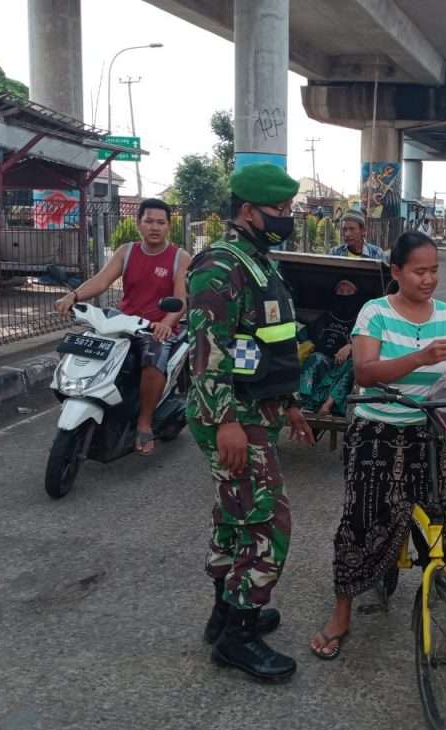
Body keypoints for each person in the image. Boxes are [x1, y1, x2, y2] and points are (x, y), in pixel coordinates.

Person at [310, 231, 446, 661]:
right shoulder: (374, 312)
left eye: (435, 270)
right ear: (396, 272)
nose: (429, 279)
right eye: (420, 271)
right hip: (378, 432)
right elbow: (365, 372)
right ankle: (342, 613)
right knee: (362, 521)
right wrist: (418, 358)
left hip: (433, 433)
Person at [187, 163, 315, 683]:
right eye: (278, 212)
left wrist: (287, 403)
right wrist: (225, 424)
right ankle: (238, 637)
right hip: (231, 414)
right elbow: (209, 351)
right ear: (247, 211)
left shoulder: (259, 261)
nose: (286, 219)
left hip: (256, 406)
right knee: (266, 522)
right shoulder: (220, 265)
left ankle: (226, 612)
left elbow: (267, 343)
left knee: (236, 514)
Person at [56, 198, 188, 455]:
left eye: (161, 222)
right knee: (84, 346)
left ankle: (144, 423)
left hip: (155, 328)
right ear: (138, 223)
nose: (154, 227)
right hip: (122, 321)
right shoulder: (126, 252)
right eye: (149, 221)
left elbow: (181, 300)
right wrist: (73, 296)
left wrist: (165, 323)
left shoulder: (179, 257)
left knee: (153, 361)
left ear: (169, 227)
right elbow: (101, 281)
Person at [298, 279, 363, 417]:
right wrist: (308, 344)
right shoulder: (325, 317)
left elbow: (368, 342)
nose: (344, 295)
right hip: (325, 362)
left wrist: (351, 346)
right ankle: (307, 403)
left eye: (348, 292)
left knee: (354, 366)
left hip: (345, 365)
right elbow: (304, 334)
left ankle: (328, 405)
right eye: (341, 291)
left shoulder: (362, 318)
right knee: (316, 358)